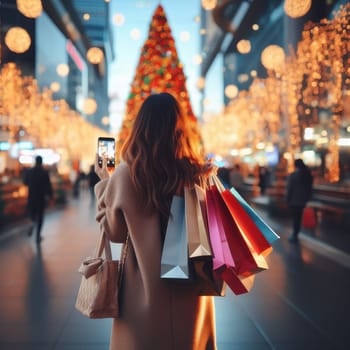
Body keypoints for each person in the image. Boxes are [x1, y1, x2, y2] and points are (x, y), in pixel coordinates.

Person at [94, 92, 216, 350]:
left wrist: (105, 182)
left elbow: (114, 234)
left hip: (143, 290)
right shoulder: (196, 173)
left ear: (140, 127)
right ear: (180, 128)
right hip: (190, 284)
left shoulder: (126, 175)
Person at [24, 155, 53, 243]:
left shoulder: (29, 171)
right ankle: (37, 236)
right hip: (41, 198)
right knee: (40, 216)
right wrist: (50, 196)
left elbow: (25, 182)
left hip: (31, 196)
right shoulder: (44, 172)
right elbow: (48, 185)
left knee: (32, 214)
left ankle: (32, 224)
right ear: (41, 162)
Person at [286, 158, 313, 243]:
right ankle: (296, 234)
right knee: (299, 217)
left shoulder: (293, 175)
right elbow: (310, 188)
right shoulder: (307, 174)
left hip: (294, 200)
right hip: (303, 200)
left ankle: (294, 235)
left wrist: (287, 199)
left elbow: (289, 188)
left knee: (295, 218)